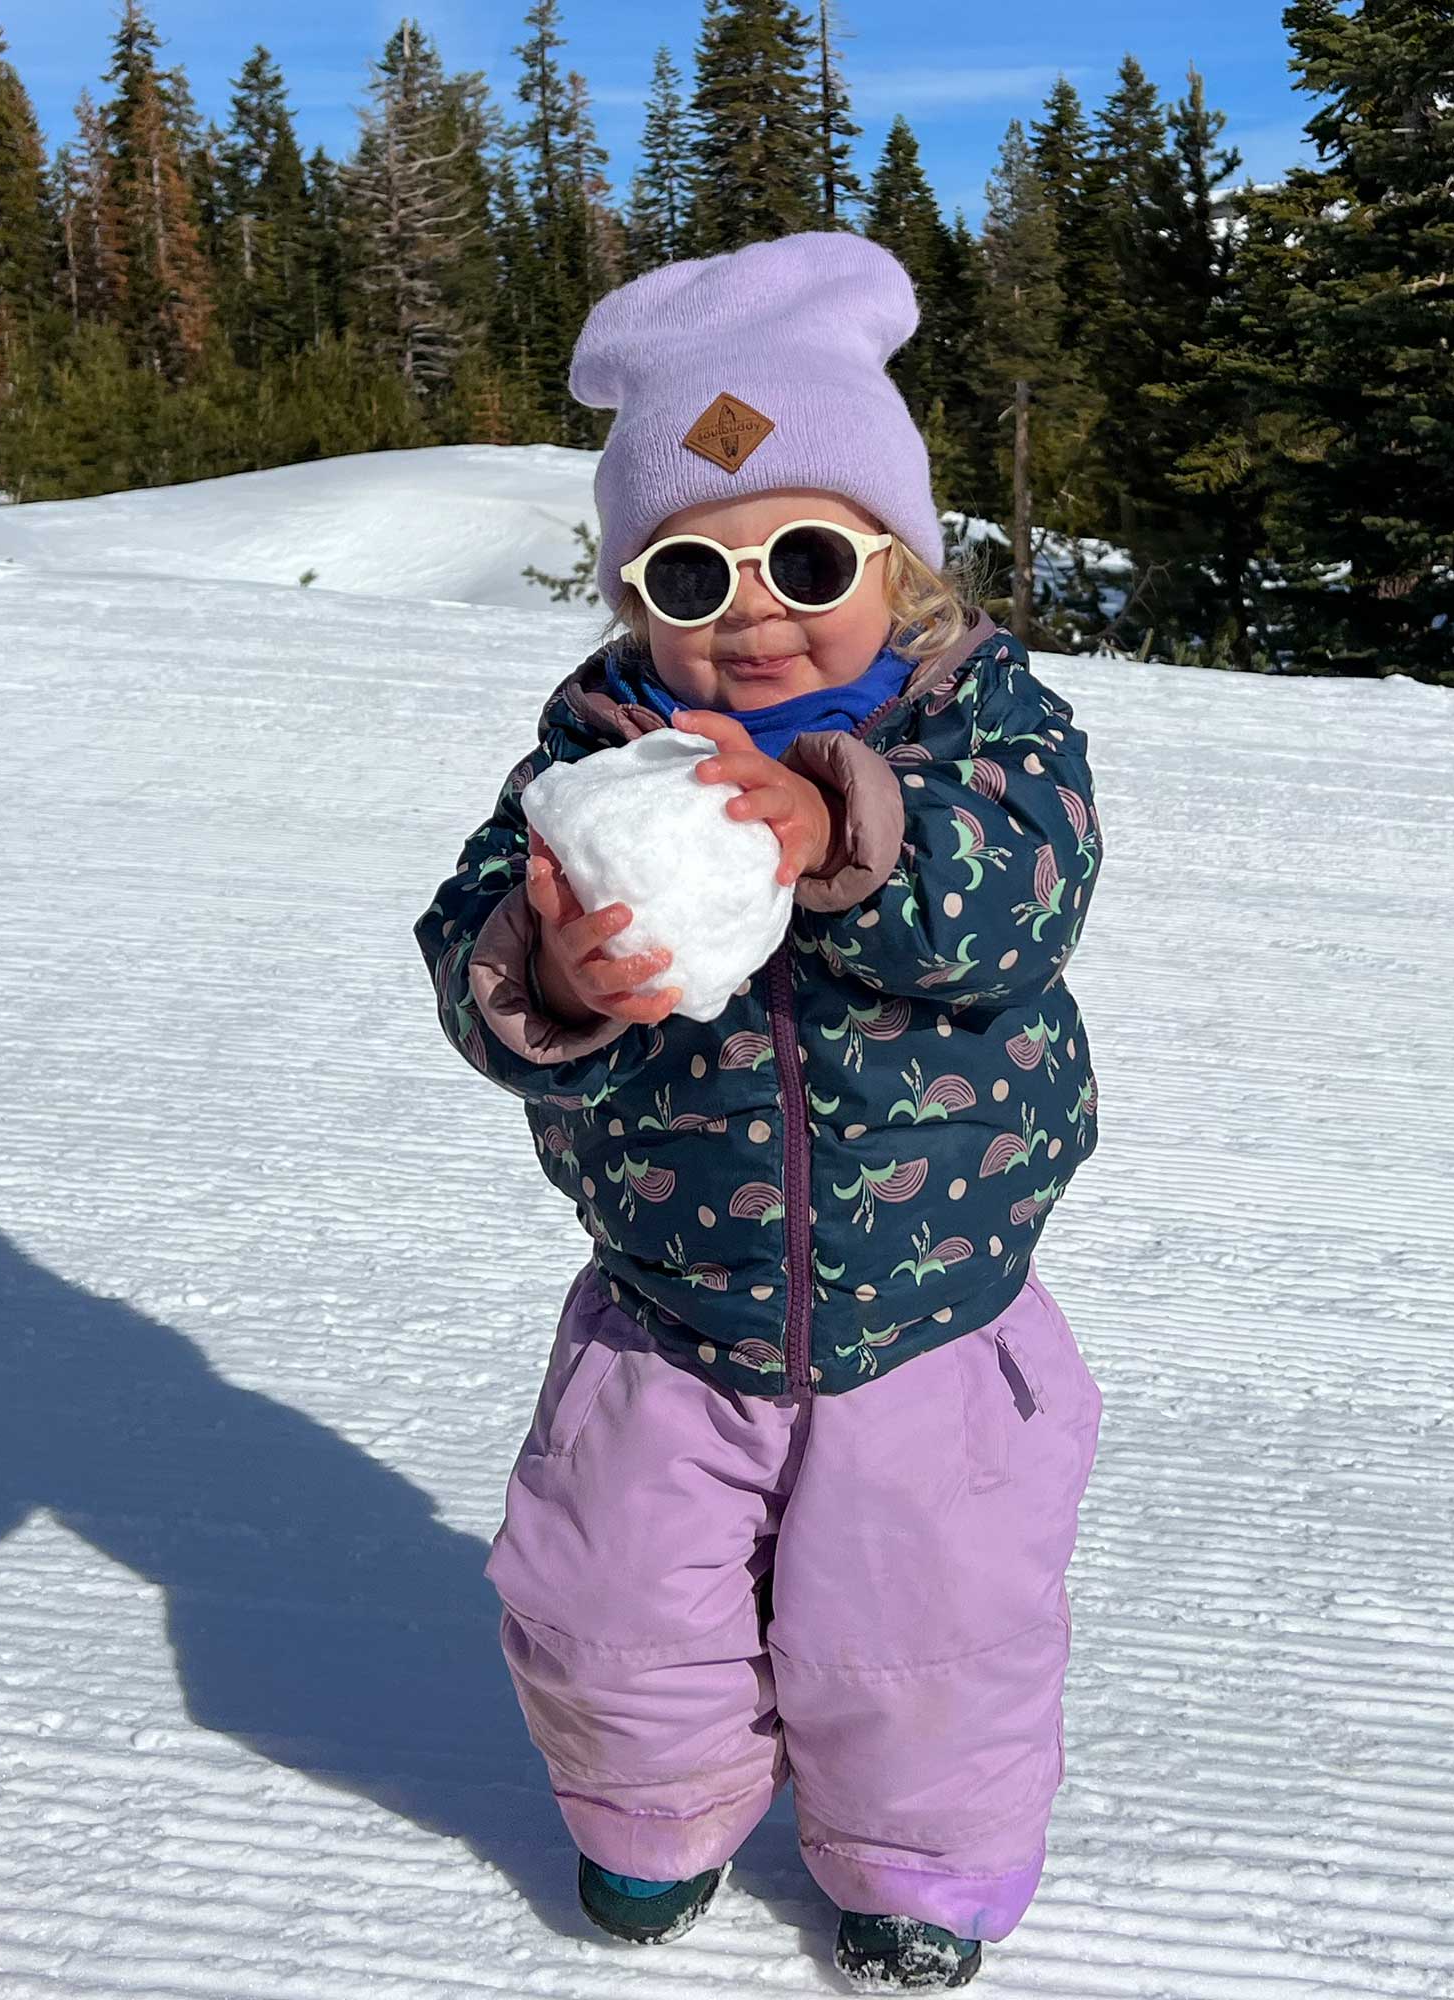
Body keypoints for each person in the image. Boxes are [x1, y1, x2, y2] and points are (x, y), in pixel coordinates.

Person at [415, 233, 1104, 1994]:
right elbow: (468, 945)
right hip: (668, 1308)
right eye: (689, 577)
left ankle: (916, 1864)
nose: (759, 616)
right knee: (611, 1607)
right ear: (632, 595)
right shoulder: (588, 759)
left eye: (807, 557)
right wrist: (555, 973)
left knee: (929, 1631)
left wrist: (832, 831)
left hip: (936, 1324)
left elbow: (1020, 898)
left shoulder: (982, 734)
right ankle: (654, 1826)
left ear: (901, 563)